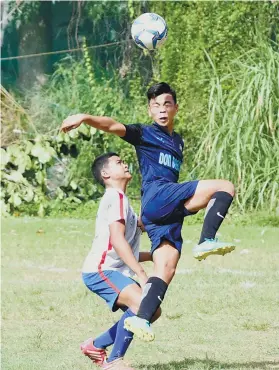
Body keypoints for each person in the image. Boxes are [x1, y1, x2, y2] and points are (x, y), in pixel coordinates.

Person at [61, 82, 235, 342]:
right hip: (157, 195)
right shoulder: (144, 134)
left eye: (167, 104)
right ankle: (207, 240)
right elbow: (112, 125)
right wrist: (85, 118)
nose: (162, 110)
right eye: (156, 106)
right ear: (150, 110)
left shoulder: (177, 141)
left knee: (165, 268)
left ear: (176, 107)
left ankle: (141, 319)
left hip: (159, 213)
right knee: (224, 186)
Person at [80, 152, 160, 369]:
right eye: (118, 162)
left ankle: (96, 346)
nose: (124, 164)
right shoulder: (115, 197)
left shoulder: (123, 201)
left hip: (112, 269)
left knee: (151, 310)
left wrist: (154, 256)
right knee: (142, 304)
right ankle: (114, 361)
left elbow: (126, 249)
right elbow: (117, 241)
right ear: (105, 174)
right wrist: (142, 275)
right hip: (100, 271)